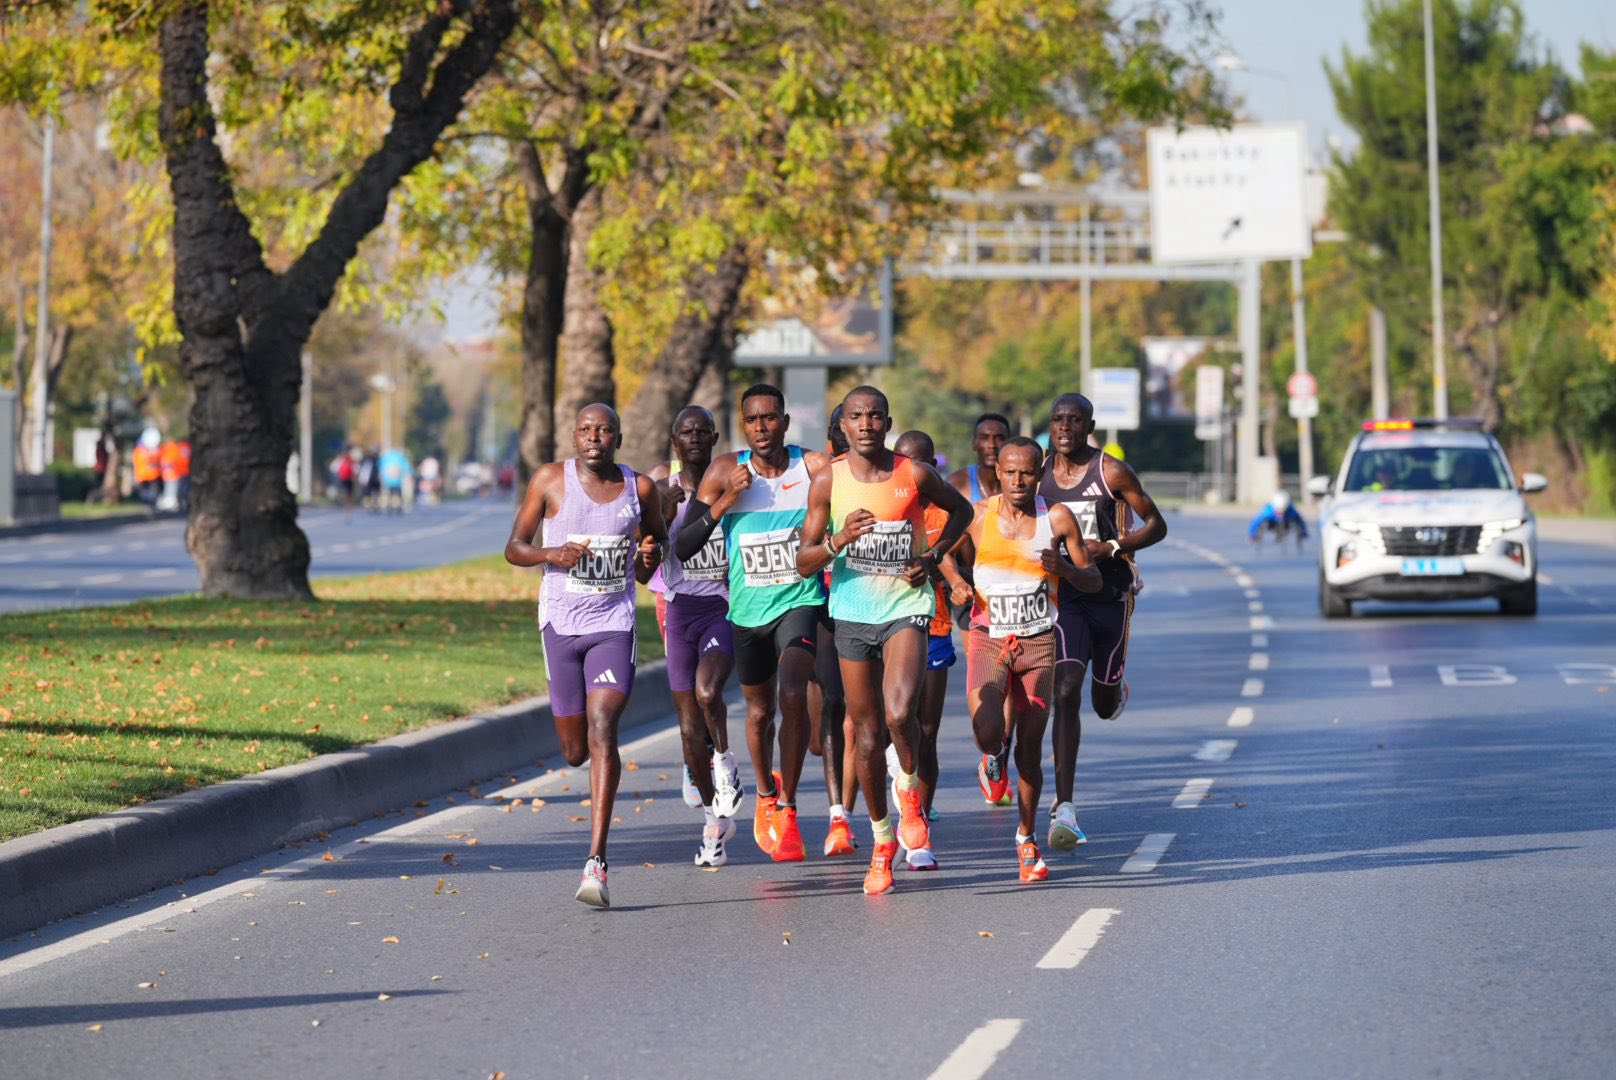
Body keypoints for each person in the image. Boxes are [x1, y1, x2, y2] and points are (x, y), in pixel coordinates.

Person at [796, 386, 972, 895]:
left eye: (876, 415)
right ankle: (880, 839)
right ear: (844, 427)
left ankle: (911, 792)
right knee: (867, 736)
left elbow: (961, 512)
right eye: (857, 417)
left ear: (887, 421)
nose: (867, 423)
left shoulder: (912, 474)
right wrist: (838, 540)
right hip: (852, 613)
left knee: (900, 714)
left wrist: (933, 553)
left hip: (905, 608)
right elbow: (804, 560)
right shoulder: (828, 480)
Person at [503, 404, 667, 908]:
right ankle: (593, 839)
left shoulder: (639, 490)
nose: (594, 437)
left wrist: (647, 556)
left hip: (612, 625)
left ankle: (596, 860)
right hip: (560, 624)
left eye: (604, 430)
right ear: (575, 436)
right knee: (574, 749)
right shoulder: (551, 480)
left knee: (603, 725)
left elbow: (652, 552)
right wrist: (552, 555)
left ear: (619, 437)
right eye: (586, 430)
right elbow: (514, 547)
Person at [675, 385, 831, 864]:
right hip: (746, 613)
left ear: (785, 421)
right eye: (753, 420)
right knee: (760, 713)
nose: (762, 428)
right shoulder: (726, 470)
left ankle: (787, 807)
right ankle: (765, 792)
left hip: (799, 600)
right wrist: (725, 501)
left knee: (792, 691)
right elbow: (684, 547)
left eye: (770, 419)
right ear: (744, 426)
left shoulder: (815, 467)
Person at [944, 436, 1099, 881]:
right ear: (1000, 470)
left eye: (1027, 472)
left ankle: (1026, 838)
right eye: (1009, 471)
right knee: (987, 729)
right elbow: (942, 553)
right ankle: (991, 756)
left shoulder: (1058, 518)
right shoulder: (977, 515)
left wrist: (1065, 568)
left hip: (1038, 643)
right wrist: (955, 581)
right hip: (989, 638)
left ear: (1040, 471)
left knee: (1029, 753)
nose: (1017, 480)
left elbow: (1089, 580)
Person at [1039, 393, 1167, 851]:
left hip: (1111, 592)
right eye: (1057, 420)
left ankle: (1115, 687)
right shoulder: (1038, 474)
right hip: (1066, 595)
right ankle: (1065, 805)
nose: (1065, 427)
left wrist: (1112, 547)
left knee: (1100, 700)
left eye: (1074, 420)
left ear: (1089, 424)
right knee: (1065, 688)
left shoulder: (1109, 471)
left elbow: (1157, 524)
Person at [653, 406, 745, 867]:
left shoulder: (731, 481)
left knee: (709, 692)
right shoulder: (660, 487)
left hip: (722, 606)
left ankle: (725, 762)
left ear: (713, 437)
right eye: (685, 431)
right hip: (679, 609)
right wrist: (656, 518)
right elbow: (643, 554)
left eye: (702, 431)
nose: (694, 438)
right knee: (688, 726)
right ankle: (713, 819)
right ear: (675, 442)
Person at [891, 428, 957, 859]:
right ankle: (890, 815)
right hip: (885, 627)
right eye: (903, 463)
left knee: (925, 732)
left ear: (932, 467)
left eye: (922, 463)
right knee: (888, 727)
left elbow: (957, 568)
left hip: (933, 628)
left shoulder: (944, 515)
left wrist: (939, 570)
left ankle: (920, 823)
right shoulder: (882, 504)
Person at [810, 403, 858, 858]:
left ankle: (842, 813)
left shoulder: (890, 475)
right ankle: (837, 812)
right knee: (830, 707)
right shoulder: (821, 476)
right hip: (822, 601)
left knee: (863, 717)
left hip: (875, 605)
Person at [947, 412, 1012, 503]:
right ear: (974, 444)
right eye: (984, 438)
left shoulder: (1020, 484)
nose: (992, 445)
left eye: (999, 438)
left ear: (1009, 444)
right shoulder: (956, 484)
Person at [132, 428, 162, 507]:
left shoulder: (139, 451)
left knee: (150, 493)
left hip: (149, 476)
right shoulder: (140, 452)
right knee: (148, 493)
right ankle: (148, 505)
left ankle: (149, 505)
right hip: (146, 475)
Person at [378, 446, 412, 514]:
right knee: (398, 494)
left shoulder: (386, 457)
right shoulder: (400, 457)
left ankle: (389, 506)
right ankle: (399, 507)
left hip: (388, 480)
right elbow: (406, 466)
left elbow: (380, 466)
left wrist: (381, 476)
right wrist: (408, 475)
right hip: (397, 479)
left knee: (390, 493)